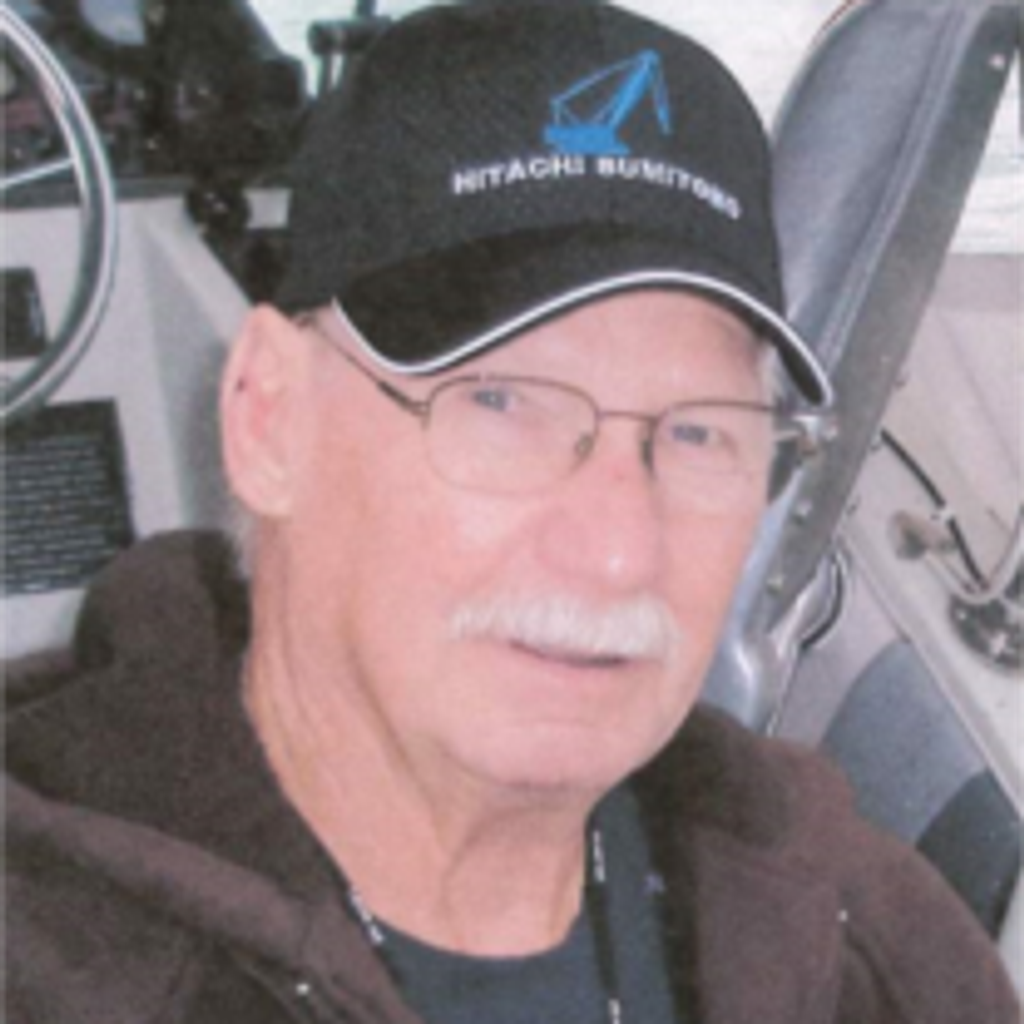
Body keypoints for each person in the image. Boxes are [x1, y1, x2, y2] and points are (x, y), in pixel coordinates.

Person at [0, 3, 1019, 1022]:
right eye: (500, 404)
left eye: (698, 432)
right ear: (269, 419)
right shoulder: (48, 953)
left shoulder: (857, 931)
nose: (618, 549)